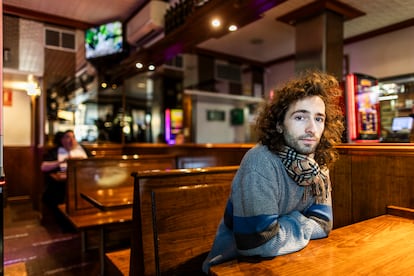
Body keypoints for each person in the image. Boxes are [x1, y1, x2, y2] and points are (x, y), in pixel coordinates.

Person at [202, 71, 345, 273]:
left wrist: (280, 227)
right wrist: (302, 221)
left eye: (319, 119)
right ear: (279, 125)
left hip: (294, 262)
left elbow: (323, 224)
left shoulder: (318, 163)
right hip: (233, 267)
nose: (312, 128)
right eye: (300, 117)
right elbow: (257, 244)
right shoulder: (260, 161)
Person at [40, 130, 93, 226]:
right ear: (61, 140)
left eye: (73, 137)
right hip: (61, 185)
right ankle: (65, 223)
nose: (71, 140)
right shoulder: (55, 151)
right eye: (68, 137)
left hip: (84, 182)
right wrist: (61, 161)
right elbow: (43, 167)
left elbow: (94, 163)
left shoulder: (83, 149)